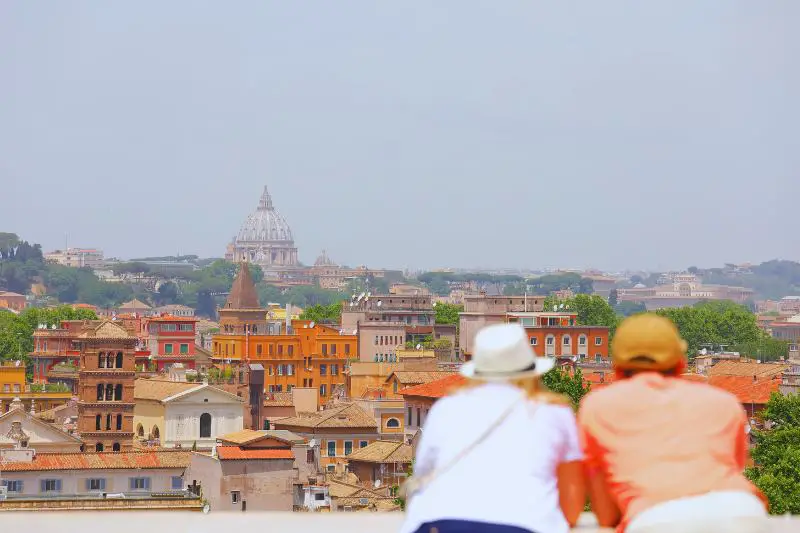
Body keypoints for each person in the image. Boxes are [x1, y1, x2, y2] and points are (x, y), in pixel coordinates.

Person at [578, 314, 769, 533]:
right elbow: (734, 468)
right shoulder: (724, 403)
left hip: (656, 519)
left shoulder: (598, 407)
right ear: (681, 363)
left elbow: (606, 513)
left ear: (617, 367)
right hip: (742, 511)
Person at [400, 323, 585, 533]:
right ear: (531, 370)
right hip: (526, 526)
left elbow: (422, 475)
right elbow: (572, 502)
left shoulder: (446, 408)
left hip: (437, 523)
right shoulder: (554, 412)